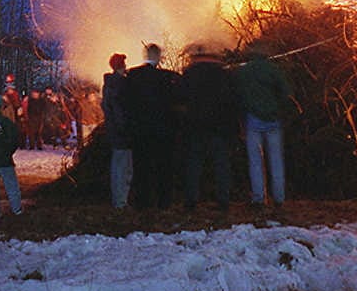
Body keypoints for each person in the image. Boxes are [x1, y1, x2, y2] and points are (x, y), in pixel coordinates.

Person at [179, 44, 238, 211]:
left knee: (193, 165)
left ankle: (191, 201)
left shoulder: (189, 74)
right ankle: (223, 201)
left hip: (195, 126)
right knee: (221, 165)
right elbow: (232, 101)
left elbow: (181, 100)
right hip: (219, 127)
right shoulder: (225, 73)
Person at [123, 43, 181, 210]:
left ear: (144, 55)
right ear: (159, 57)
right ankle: (164, 202)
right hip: (164, 131)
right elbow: (176, 104)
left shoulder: (133, 76)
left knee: (142, 168)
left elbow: (127, 103)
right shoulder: (169, 77)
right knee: (165, 167)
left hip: (140, 131)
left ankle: (143, 202)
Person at [235, 46, 292, 208]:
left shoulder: (243, 72)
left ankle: (258, 198)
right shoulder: (274, 69)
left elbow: (238, 97)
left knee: (255, 162)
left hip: (252, 122)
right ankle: (279, 198)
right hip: (274, 122)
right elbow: (286, 93)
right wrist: (278, 111)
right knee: (276, 160)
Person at [101, 53, 133, 209]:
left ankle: (121, 200)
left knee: (123, 166)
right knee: (122, 167)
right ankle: (120, 202)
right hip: (121, 132)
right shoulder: (118, 84)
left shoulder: (111, 83)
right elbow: (119, 109)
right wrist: (124, 128)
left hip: (117, 130)